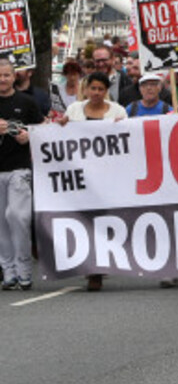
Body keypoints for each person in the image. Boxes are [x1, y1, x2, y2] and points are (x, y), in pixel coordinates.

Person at [59, 71, 127, 291]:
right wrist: (60, 126)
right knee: (84, 220)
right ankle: (92, 270)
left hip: (107, 176)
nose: (96, 93)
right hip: (81, 176)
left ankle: (100, 265)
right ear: (86, 89)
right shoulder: (74, 110)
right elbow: (63, 137)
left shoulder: (118, 111)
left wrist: (122, 126)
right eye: (92, 88)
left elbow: (129, 139)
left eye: (100, 89)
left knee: (103, 221)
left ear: (106, 91)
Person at [0, 58, 42, 290]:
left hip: (19, 168)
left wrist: (29, 135)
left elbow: (42, 129)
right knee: (1, 225)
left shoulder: (27, 102)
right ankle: (9, 272)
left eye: (6, 75)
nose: (2, 80)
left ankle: (24, 269)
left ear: (15, 76)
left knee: (17, 217)